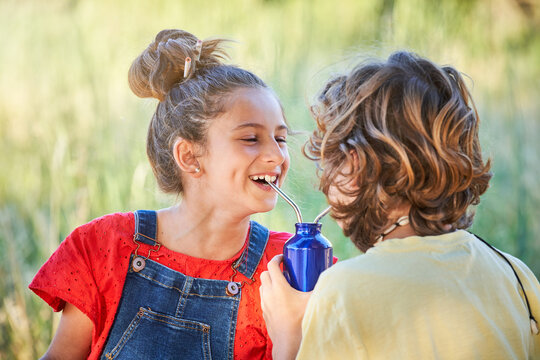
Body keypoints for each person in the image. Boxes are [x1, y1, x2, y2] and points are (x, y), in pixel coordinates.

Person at [30, 28, 292, 359]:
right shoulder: (104, 246)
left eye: (281, 139)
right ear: (189, 156)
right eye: (251, 138)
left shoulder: (287, 267)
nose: (278, 156)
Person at [260, 51, 540, 359]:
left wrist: (290, 341)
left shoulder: (344, 291)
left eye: (329, 164)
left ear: (355, 166)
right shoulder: (515, 274)